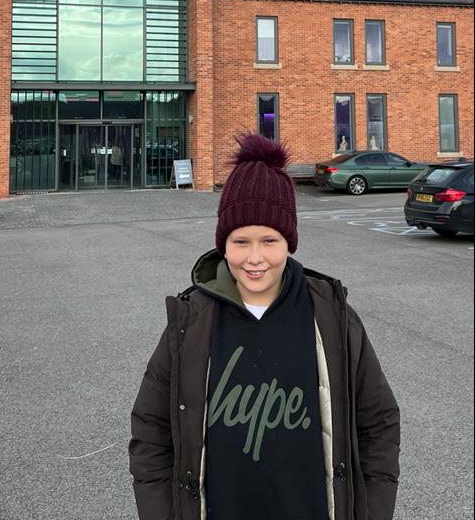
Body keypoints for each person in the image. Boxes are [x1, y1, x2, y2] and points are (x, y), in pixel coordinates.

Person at [129, 133, 400, 520]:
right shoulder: (192, 321)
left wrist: (372, 511)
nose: (254, 258)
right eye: (241, 241)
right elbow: (151, 430)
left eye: (269, 240)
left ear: (289, 241)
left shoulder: (330, 317)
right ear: (224, 245)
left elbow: (379, 423)